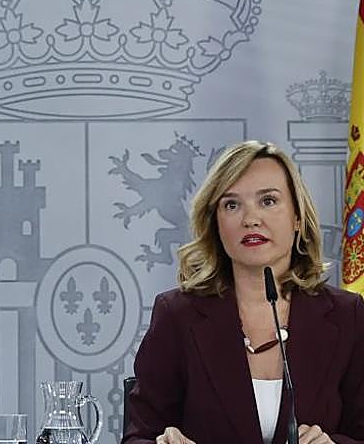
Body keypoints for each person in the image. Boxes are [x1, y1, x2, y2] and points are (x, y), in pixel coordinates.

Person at [123, 140, 364, 444]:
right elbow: (138, 436)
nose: (250, 219)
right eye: (232, 205)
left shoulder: (347, 316)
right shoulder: (177, 314)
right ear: (216, 224)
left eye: (268, 201)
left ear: (297, 219)